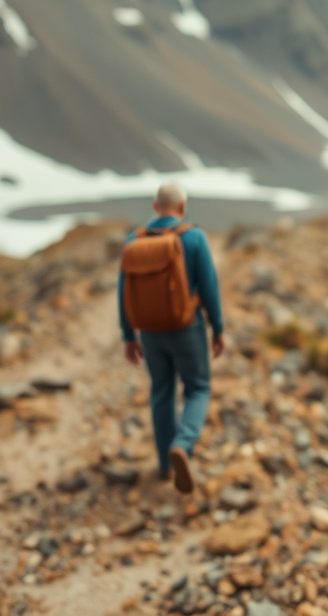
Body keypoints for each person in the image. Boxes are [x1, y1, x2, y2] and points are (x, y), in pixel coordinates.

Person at [118, 181, 225, 493]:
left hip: (150, 333)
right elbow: (209, 287)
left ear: (155, 207)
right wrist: (217, 329)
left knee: (161, 392)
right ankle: (184, 443)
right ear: (182, 207)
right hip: (186, 329)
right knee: (198, 388)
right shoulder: (193, 237)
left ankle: (166, 466)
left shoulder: (133, 241)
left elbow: (123, 293)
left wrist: (129, 335)